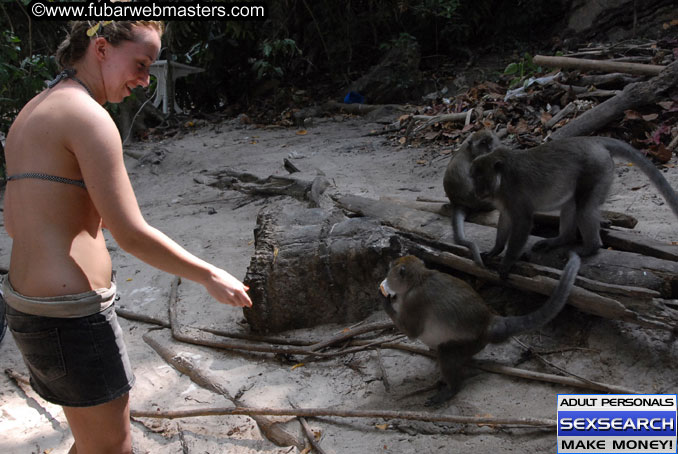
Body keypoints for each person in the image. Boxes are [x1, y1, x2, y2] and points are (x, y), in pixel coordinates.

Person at [2, 20, 252, 454]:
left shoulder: (33, 110)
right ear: (101, 49)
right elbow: (132, 234)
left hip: (27, 306)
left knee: (92, 441)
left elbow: (19, 220)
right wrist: (209, 274)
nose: (144, 77)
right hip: (69, 313)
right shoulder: (88, 118)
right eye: (140, 63)